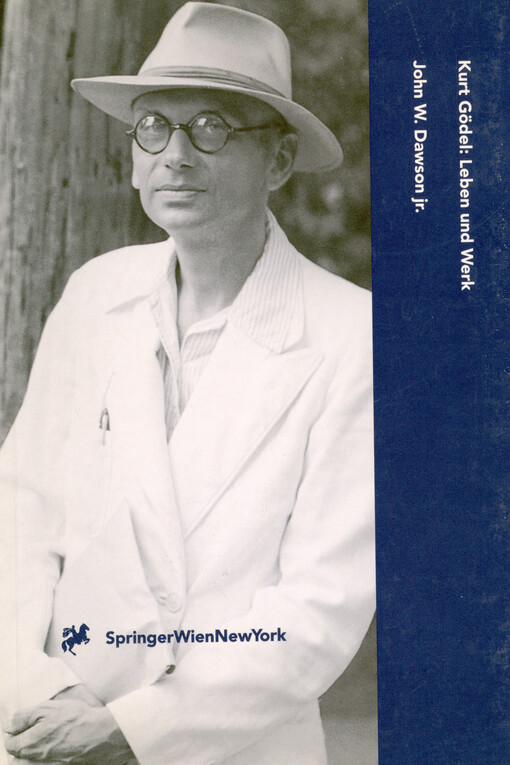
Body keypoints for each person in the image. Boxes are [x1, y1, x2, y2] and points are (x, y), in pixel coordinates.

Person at [0, 3, 375, 764]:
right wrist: (36, 687)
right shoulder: (96, 292)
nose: (175, 155)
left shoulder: (352, 335)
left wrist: (134, 729)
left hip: (230, 747)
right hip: (49, 730)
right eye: (153, 126)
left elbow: (320, 610)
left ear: (278, 160)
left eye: (211, 128)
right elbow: (21, 514)